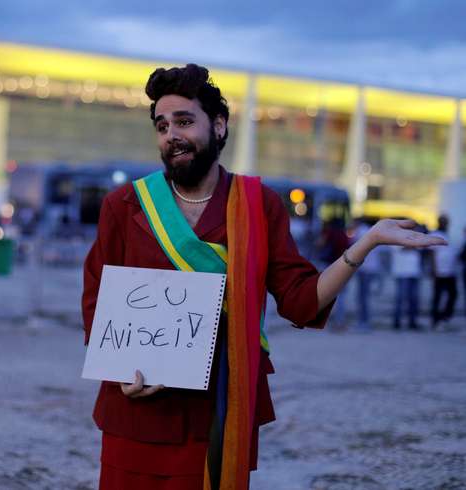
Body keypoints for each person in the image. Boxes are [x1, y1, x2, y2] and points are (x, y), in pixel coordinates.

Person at [81, 64, 445, 490]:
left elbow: (301, 301)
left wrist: (365, 244)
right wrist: (123, 369)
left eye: (184, 121)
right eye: (162, 126)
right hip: (136, 413)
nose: (171, 136)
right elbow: (97, 301)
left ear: (218, 126)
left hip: (219, 408)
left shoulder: (259, 206)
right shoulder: (125, 205)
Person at [430, 215, 459, 328]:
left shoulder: (447, 234)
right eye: (444, 221)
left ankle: (445, 316)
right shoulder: (434, 235)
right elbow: (432, 253)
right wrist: (434, 270)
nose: (446, 224)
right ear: (439, 222)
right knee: (438, 296)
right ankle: (435, 319)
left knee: (453, 294)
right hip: (440, 271)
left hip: (450, 271)